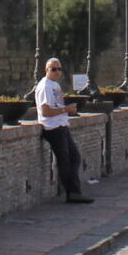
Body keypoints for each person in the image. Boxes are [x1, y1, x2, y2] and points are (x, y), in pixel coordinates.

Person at [33, 57, 91, 203]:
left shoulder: (55, 85)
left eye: (59, 69)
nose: (57, 72)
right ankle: (72, 193)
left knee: (74, 157)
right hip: (52, 127)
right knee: (65, 160)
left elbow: (56, 106)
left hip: (61, 125)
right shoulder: (45, 86)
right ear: (46, 70)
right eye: (53, 69)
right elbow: (45, 111)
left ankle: (74, 191)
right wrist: (66, 109)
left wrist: (67, 110)